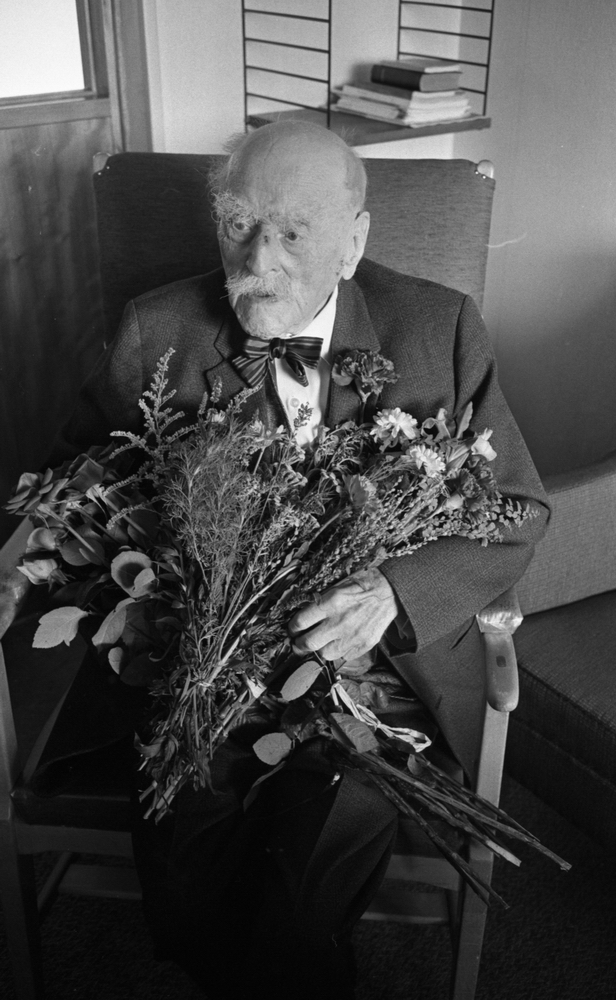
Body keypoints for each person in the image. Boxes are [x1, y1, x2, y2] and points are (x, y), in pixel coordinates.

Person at [1, 121, 549, 1000]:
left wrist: (394, 591)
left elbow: (517, 507)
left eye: (294, 231)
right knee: (190, 855)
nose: (259, 256)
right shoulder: (158, 328)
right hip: (200, 656)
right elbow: (76, 477)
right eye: (239, 223)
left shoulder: (438, 326)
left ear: (353, 243)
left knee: (309, 867)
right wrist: (45, 569)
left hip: (375, 673)